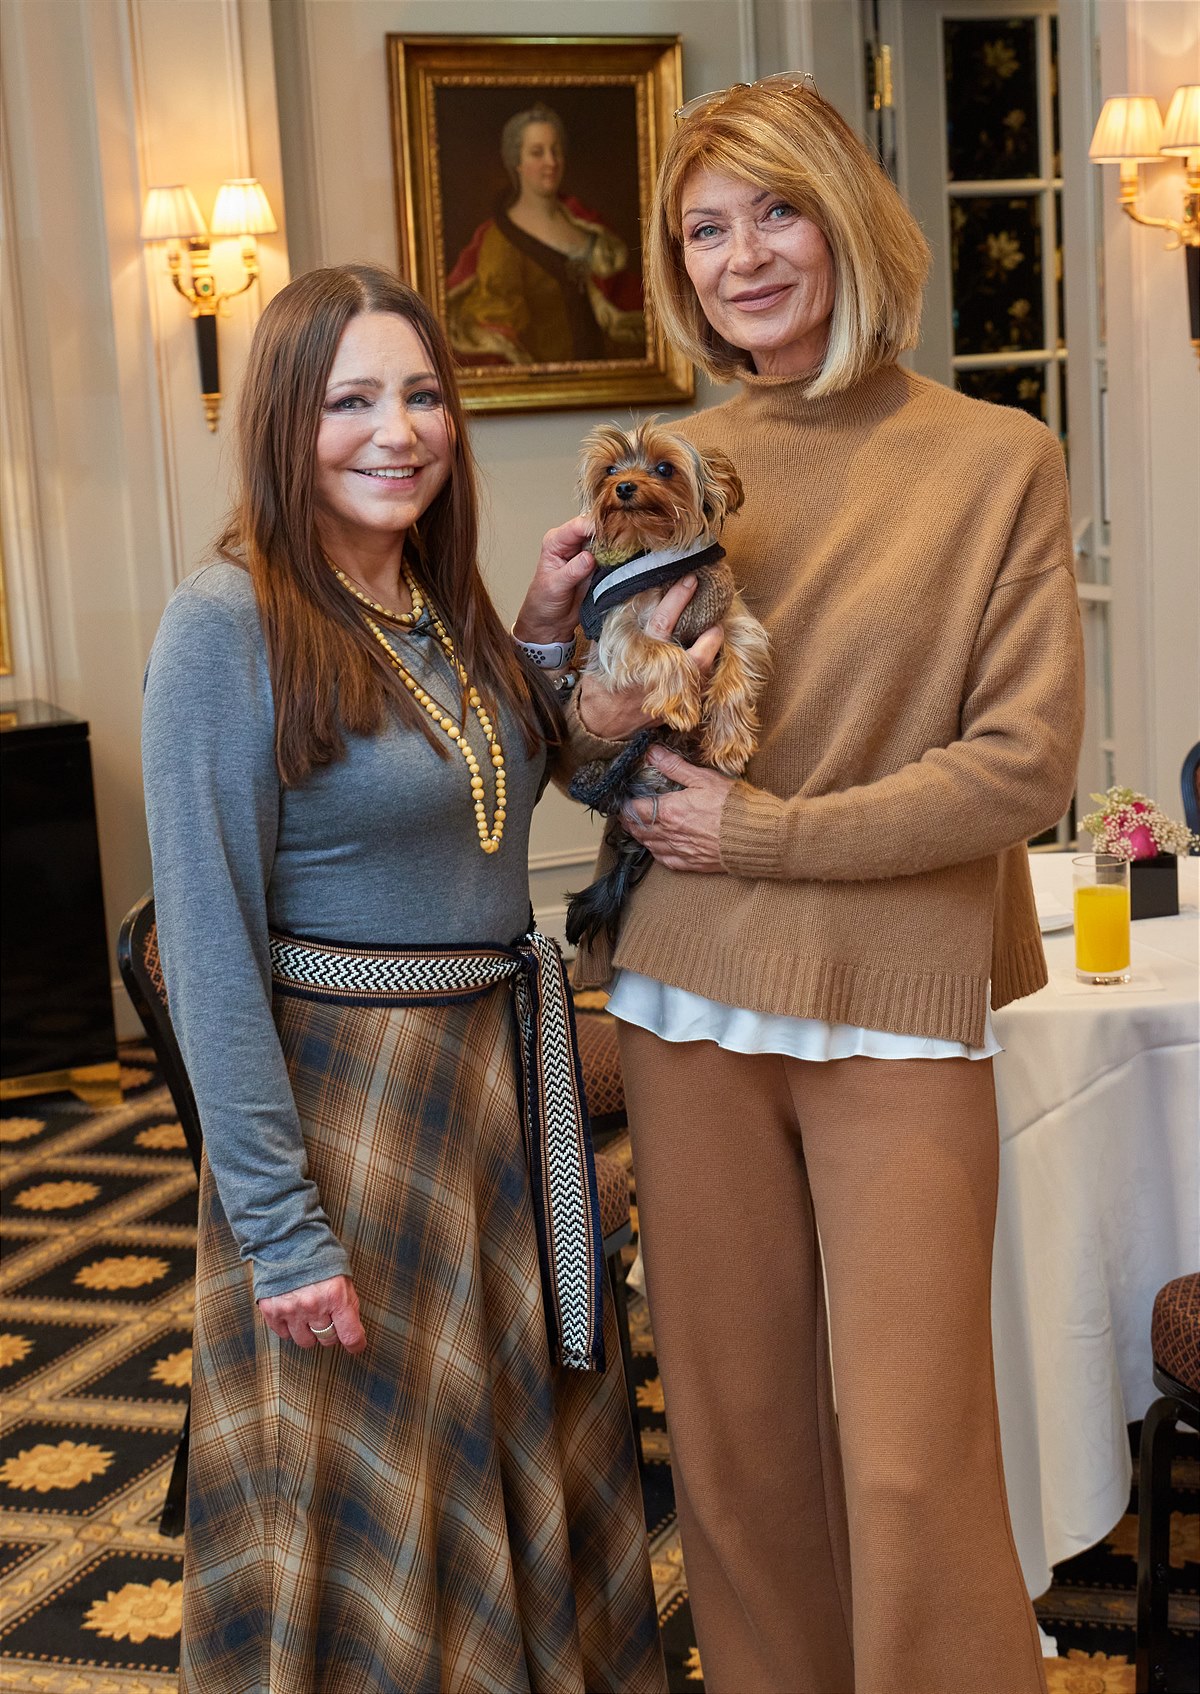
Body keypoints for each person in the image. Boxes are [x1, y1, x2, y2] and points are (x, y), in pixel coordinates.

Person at [514, 76, 1084, 1694]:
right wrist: (566, 657)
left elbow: (1025, 764)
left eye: (774, 211)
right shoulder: (672, 466)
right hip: (690, 994)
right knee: (744, 1455)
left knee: (913, 1464)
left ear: (845, 216)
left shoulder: (997, 457)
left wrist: (766, 833)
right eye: (704, 228)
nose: (741, 255)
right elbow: (591, 753)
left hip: (897, 1007)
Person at [141, 263, 667, 1694]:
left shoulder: (437, 600)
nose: (400, 430)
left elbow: (518, 774)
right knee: (374, 1505)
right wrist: (279, 1227)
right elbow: (206, 947)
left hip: (494, 1106)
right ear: (282, 422)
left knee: (510, 1466)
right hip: (352, 1124)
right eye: (352, 399)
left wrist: (543, 622)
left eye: (423, 394)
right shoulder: (226, 620)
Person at [446, 102, 645, 365]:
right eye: (537, 153)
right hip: (550, 387)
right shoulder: (500, 240)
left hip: (609, 380)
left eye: (556, 151)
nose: (550, 162)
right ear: (517, 161)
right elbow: (499, 327)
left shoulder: (587, 223)